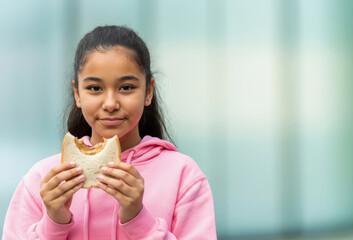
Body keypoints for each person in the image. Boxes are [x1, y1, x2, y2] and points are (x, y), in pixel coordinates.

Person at [3, 25, 217, 239]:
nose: (111, 103)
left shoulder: (183, 176)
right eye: (95, 88)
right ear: (77, 94)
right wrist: (53, 222)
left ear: (148, 91)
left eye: (126, 87)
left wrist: (139, 220)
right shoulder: (43, 180)